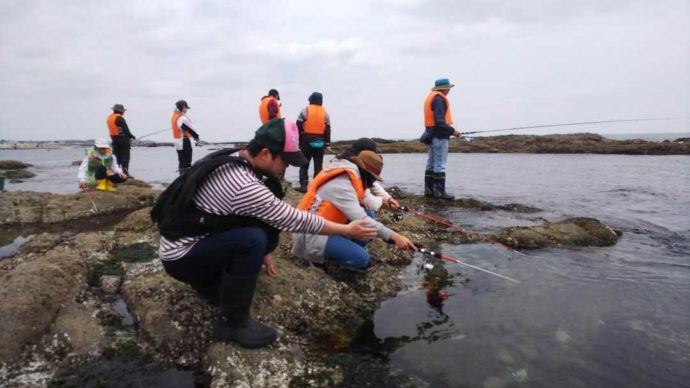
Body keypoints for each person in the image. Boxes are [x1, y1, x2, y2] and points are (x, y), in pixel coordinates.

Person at [155, 118, 377, 349]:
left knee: (259, 237)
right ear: (265, 154)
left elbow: (235, 214)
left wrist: (262, 252)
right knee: (253, 240)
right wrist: (347, 229)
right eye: (285, 161)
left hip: (189, 244)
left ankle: (210, 282)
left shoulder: (233, 157)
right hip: (181, 257)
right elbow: (293, 219)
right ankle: (233, 323)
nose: (287, 168)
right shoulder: (243, 183)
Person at [291, 149, 417, 271]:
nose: (372, 183)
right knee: (362, 260)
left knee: (368, 213)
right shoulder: (341, 183)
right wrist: (394, 236)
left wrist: (387, 200)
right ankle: (322, 260)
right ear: (366, 174)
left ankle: (344, 249)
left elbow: (368, 204)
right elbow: (362, 219)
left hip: (325, 226)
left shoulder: (350, 174)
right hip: (310, 236)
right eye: (373, 179)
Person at [420, 78, 461, 200]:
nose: (449, 90)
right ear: (444, 88)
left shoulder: (432, 97)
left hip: (431, 135)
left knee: (431, 164)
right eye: (448, 88)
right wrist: (453, 131)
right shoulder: (439, 99)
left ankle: (429, 190)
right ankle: (439, 192)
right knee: (440, 165)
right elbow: (440, 122)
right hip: (439, 136)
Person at [338, 138, 400, 211]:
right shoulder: (351, 169)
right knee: (369, 211)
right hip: (334, 211)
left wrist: (388, 198)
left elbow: (371, 182)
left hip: (330, 208)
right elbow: (366, 199)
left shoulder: (347, 162)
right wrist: (381, 203)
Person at [295, 92, 331, 193]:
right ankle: (317, 187)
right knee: (318, 166)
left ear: (311, 100)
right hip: (320, 142)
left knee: (304, 164)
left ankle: (304, 186)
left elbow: (297, 126)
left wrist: (299, 140)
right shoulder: (325, 113)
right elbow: (327, 129)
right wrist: (327, 144)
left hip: (306, 140)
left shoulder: (305, 110)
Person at [171, 100, 201, 175]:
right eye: (186, 108)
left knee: (182, 162)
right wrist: (196, 137)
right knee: (187, 163)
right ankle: (185, 180)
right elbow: (188, 128)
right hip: (184, 141)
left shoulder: (174, 116)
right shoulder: (181, 118)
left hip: (178, 142)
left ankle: (181, 179)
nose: (186, 110)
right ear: (183, 106)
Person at [106, 104, 136, 176]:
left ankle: (117, 173)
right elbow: (126, 130)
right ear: (121, 111)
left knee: (116, 157)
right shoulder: (120, 118)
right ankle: (125, 173)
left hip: (114, 140)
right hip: (123, 140)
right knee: (125, 157)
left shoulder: (109, 118)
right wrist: (132, 137)